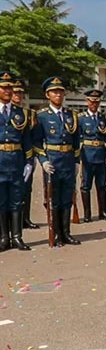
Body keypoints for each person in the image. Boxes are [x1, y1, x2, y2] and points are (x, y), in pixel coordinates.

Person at [33, 76, 81, 246]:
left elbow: (76, 141)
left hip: (68, 160)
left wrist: (77, 161)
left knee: (67, 197)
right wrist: (43, 160)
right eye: (54, 92)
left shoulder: (71, 115)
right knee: (54, 198)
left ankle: (66, 233)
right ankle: (56, 234)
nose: (58, 95)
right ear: (48, 95)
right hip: (53, 160)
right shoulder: (42, 116)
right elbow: (37, 142)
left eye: (60, 91)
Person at [0, 70, 33, 252]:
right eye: (4, 87)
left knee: (16, 200)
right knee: (1, 201)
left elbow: (26, 139)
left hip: (16, 161)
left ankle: (17, 237)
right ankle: (3, 238)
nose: (8, 91)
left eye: (10, 87)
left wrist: (29, 162)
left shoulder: (21, 113)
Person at [77, 89, 106, 223]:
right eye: (92, 102)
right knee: (86, 185)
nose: (94, 104)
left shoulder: (104, 118)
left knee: (102, 185)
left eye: (97, 102)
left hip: (101, 154)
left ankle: (102, 212)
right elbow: (77, 139)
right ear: (87, 101)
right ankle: (87, 213)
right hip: (87, 155)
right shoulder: (81, 118)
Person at [11, 78, 39, 230]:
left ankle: (25, 218)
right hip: (10, 155)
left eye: (20, 93)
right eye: (15, 92)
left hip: (25, 155)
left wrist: (31, 158)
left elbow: (33, 137)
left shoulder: (29, 114)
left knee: (26, 188)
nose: (18, 95)